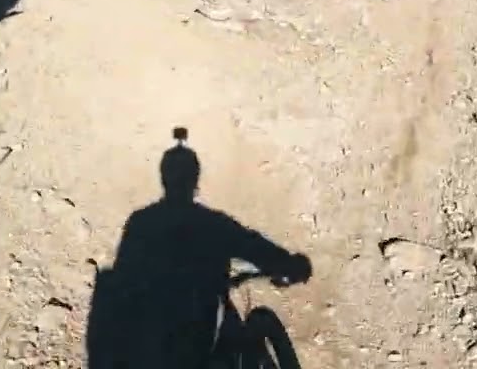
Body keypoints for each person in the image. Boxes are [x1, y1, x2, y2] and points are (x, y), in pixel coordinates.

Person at [86, 129, 311, 368]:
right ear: (195, 180)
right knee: (245, 331)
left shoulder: (141, 222)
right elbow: (254, 246)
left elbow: (123, 275)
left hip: (148, 349)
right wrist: (290, 264)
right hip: (200, 347)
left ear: (164, 179)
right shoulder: (212, 224)